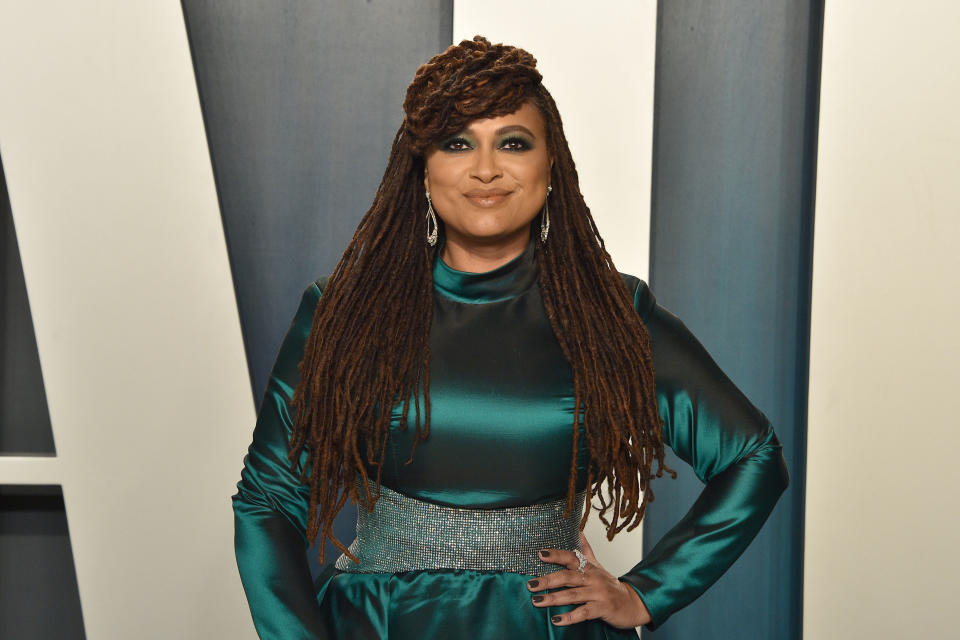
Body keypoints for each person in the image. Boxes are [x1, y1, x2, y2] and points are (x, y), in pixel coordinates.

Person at [232, 36, 789, 639]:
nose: (486, 169)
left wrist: (646, 592)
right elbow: (268, 499)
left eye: (513, 143)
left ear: (551, 164)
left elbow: (752, 457)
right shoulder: (343, 312)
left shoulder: (612, 313)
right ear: (422, 166)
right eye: (457, 143)